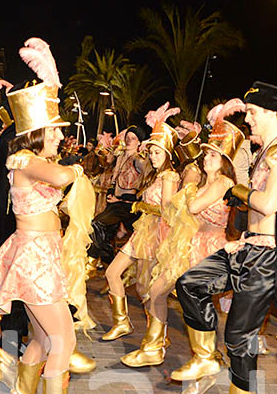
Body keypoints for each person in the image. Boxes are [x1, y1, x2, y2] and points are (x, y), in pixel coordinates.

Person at [0, 38, 94, 394]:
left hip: (45, 254)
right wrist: (76, 167)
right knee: (64, 342)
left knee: (44, 340)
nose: (61, 139)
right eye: (56, 133)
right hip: (34, 257)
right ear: (39, 134)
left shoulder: (36, 162)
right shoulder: (22, 161)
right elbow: (62, 178)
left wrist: (53, 89)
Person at [173, 82, 277, 394]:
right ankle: (204, 357)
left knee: (239, 338)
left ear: (271, 113)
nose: (247, 118)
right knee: (190, 283)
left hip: (266, 257)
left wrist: (235, 189)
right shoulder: (266, 151)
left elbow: (268, 204)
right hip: (247, 247)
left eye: (252, 112)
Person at [120, 101, 242, 373]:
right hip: (190, 242)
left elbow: (193, 207)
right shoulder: (202, 182)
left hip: (210, 247)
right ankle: (157, 347)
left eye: (212, 155)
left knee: (189, 300)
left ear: (224, 161)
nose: (206, 158)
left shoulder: (223, 183)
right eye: (206, 154)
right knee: (157, 291)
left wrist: (185, 190)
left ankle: (203, 355)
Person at [101, 104, 180, 341]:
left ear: (167, 153)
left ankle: (157, 337)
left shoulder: (169, 175)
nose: (154, 157)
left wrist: (140, 206)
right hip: (143, 231)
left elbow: (167, 211)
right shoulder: (155, 173)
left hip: (156, 235)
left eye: (158, 153)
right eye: (152, 152)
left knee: (147, 289)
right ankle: (122, 323)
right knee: (112, 273)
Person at [86, 125, 146, 271]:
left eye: (133, 138)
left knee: (97, 224)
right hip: (115, 203)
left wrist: (126, 199)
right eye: (128, 138)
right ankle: (111, 265)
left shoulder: (139, 160)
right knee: (104, 234)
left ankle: (92, 261)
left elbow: (147, 179)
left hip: (127, 205)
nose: (129, 141)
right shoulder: (121, 157)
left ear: (139, 142)